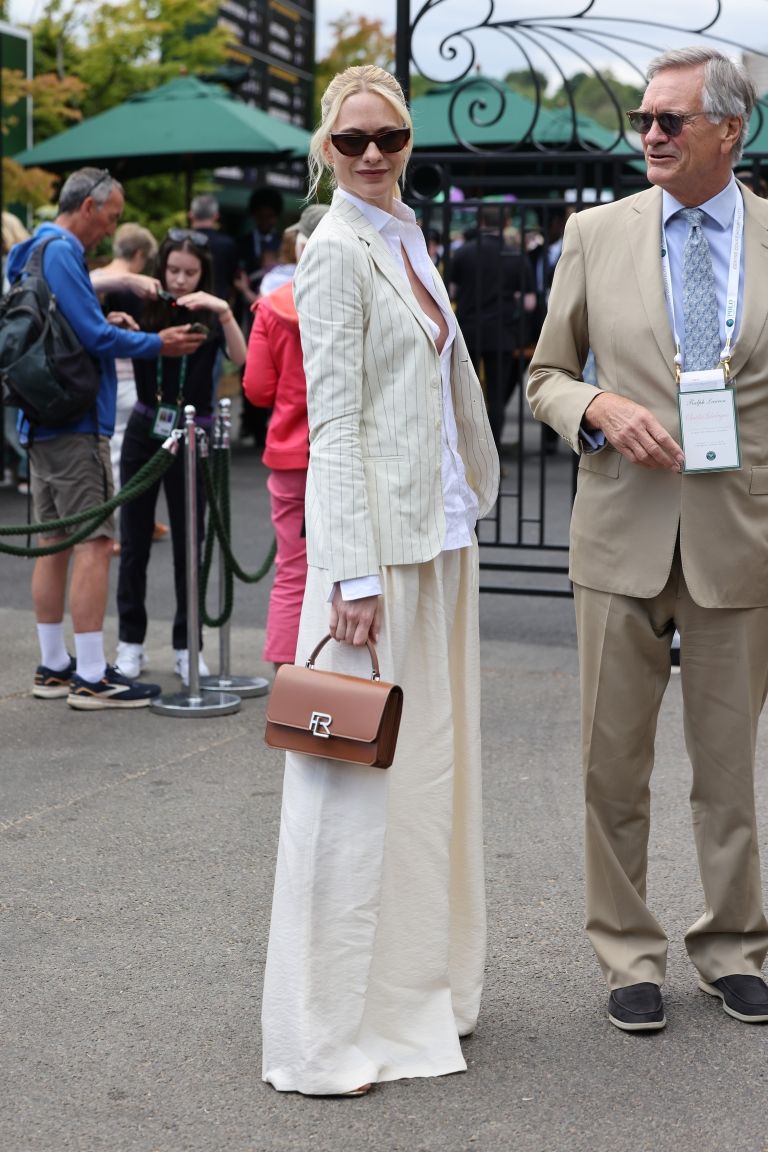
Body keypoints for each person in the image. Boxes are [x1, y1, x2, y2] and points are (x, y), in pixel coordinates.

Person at [261, 64, 499, 1096]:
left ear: (410, 143)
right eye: (351, 141)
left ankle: (419, 991)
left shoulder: (407, 238)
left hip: (439, 541)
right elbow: (338, 425)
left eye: (388, 138)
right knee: (351, 796)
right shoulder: (333, 252)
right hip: (376, 560)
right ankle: (325, 1033)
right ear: (326, 149)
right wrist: (347, 573)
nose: (370, 156)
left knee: (430, 781)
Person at [527, 47, 768, 1032]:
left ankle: (734, 945)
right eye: (644, 120)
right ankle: (626, 951)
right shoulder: (594, 232)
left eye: (672, 120)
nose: (653, 136)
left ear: (730, 131)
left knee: (729, 769)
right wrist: (598, 408)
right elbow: (543, 375)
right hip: (621, 534)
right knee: (610, 763)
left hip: (739, 540)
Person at [6, 168, 204, 709]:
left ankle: (54, 665)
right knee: (94, 541)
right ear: (89, 207)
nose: (110, 229)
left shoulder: (27, 250)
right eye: (111, 216)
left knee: (54, 539)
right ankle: (93, 674)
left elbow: (71, 324)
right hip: (74, 422)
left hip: (39, 416)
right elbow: (92, 337)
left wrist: (103, 316)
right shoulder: (64, 250)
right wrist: (155, 343)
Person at [113, 229, 246, 686]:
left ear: (204, 274)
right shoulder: (144, 300)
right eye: (173, 270)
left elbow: (239, 356)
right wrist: (124, 323)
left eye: (191, 272)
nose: (182, 280)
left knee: (190, 545)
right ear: (160, 268)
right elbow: (109, 327)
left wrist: (224, 310)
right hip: (145, 428)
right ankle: (129, 644)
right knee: (133, 541)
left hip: (195, 432)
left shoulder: (211, 310)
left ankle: (188, 647)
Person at [242, 204, 328, 671]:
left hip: (291, 454)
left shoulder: (271, 309)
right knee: (353, 574)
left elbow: (256, 391)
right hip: (346, 453)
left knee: (293, 570)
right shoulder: (350, 301)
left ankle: (287, 676)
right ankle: (341, 678)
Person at [91, 223, 164, 542]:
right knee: (126, 455)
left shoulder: (94, 280)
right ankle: (126, 527)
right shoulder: (138, 287)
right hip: (131, 376)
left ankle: (137, 523)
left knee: (115, 452)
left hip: (100, 376)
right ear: (138, 255)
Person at [449, 204, 536, 453]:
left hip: (468, 331)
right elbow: (529, 302)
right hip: (502, 332)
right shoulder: (515, 256)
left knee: (466, 394)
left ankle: (466, 449)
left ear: (479, 221)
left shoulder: (463, 253)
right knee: (496, 397)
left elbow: (451, 292)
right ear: (507, 222)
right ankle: (493, 449)